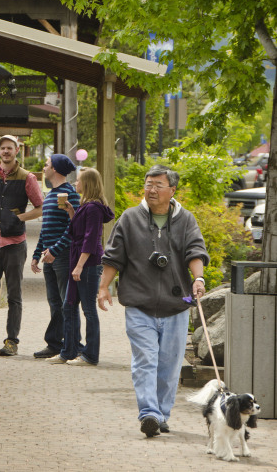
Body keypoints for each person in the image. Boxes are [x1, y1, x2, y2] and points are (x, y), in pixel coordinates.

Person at [97, 164, 209, 437]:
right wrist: (103, 287)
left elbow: (195, 250)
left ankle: (162, 414)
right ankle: (149, 413)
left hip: (176, 305)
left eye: (158, 185)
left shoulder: (186, 220)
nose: (152, 189)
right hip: (139, 303)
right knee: (145, 360)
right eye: (148, 184)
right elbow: (114, 256)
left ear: (172, 190)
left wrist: (199, 279)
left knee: (169, 366)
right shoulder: (130, 218)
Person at [0, 135, 43, 356]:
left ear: (17, 151)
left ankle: (11, 341)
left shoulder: (27, 178)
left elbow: (40, 208)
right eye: (3, 148)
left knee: (14, 294)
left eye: (10, 148)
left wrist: (19, 219)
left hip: (15, 244)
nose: (6, 151)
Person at [47, 167, 114, 366]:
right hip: (79, 262)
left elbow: (90, 239)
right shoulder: (86, 206)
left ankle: (90, 355)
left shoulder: (93, 208)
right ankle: (68, 351)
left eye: (78, 180)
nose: (75, 184)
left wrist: (79, 266)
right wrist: (71, 212)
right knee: (68, 306)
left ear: (88, 184)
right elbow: (77, 230)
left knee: (88, 310)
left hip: (87, 265)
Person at [31, 154, 80, 359]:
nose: (44, 167)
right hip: (48, 256)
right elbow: (46, 228)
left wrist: (55, 250)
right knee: (54, 302)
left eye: (47, 164)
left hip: (62, 256)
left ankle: (72, 345)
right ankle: (56, 343)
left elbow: (74, 227)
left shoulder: (70, 194)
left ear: (56, 169)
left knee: (67, 301)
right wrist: (36, 254)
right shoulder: (50, 195)